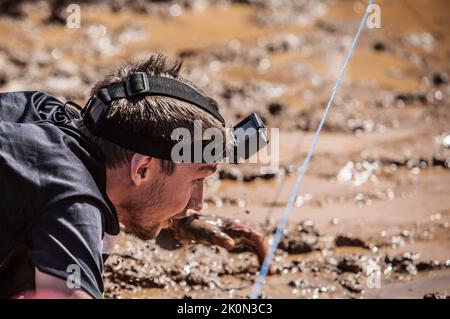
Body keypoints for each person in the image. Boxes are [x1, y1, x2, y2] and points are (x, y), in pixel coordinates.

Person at [0, 54, 270, 299]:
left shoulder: (39, 110)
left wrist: (174, 217)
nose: (198, 203)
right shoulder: (74, 203)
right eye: (196, 181)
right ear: (142, 169)